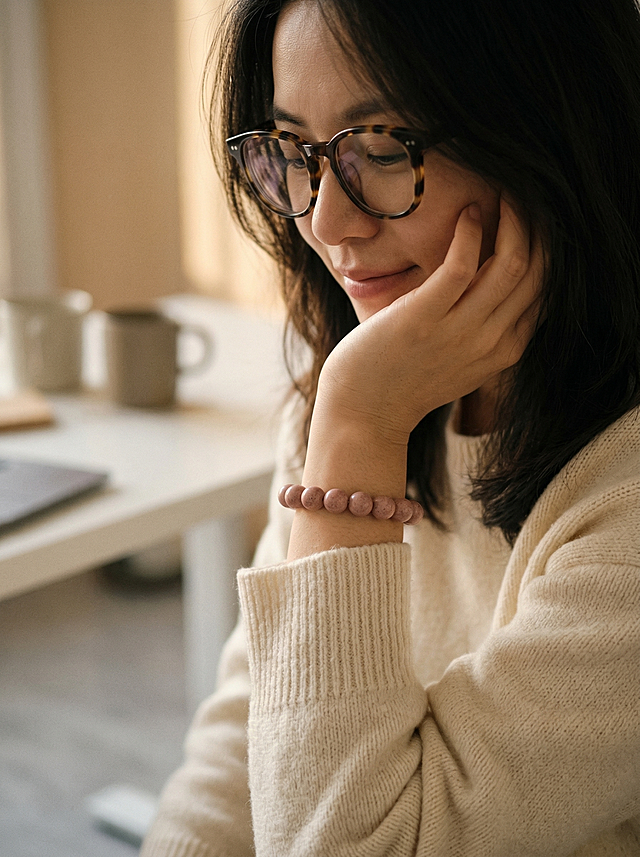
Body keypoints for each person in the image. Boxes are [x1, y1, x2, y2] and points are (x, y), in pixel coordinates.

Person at [141, 0, 640, 853]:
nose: (328, 224)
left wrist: (360, 429)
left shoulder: (614, 496)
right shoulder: (360, 380)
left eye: (379, 148)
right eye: (294, 152)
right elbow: (250, 730)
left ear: (551, 135)